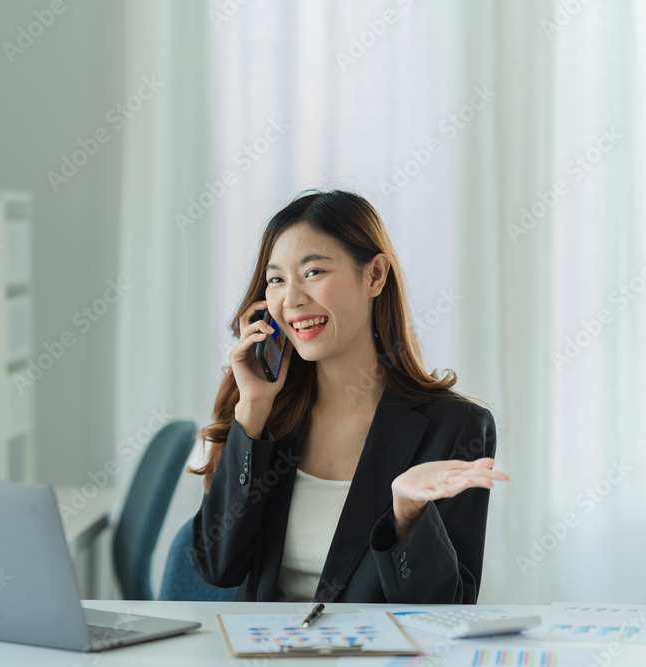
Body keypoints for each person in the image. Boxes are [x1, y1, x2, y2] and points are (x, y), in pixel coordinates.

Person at [189, 190, 508, 604]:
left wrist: (407, 517)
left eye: (314, 272)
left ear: (374, 275)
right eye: (276, 280)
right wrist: (252, 409)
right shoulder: (265, 416)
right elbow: (217, 566)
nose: (291, 299)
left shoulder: (456, 427)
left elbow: (448, 608)